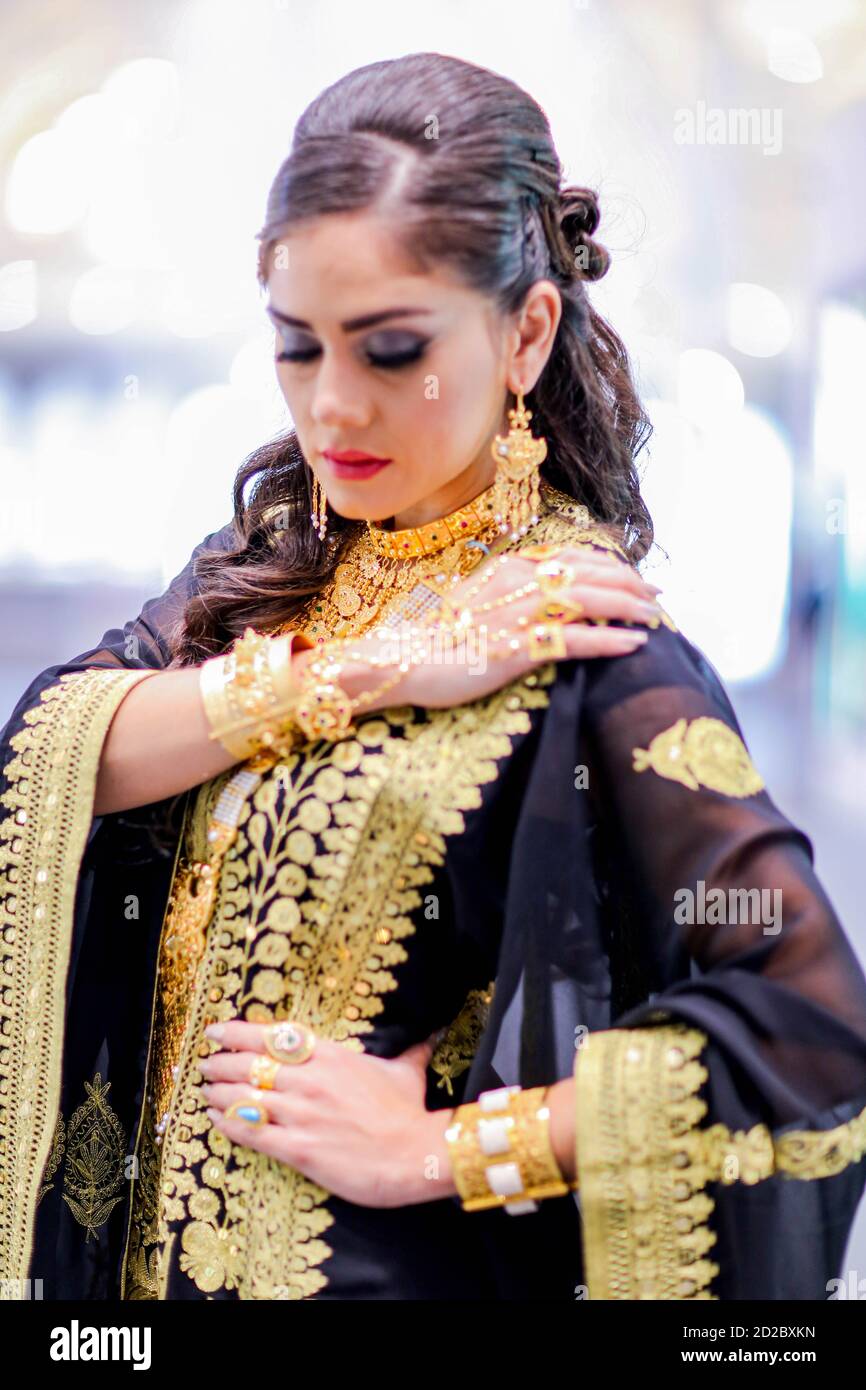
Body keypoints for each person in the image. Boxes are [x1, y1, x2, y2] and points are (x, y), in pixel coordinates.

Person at [2, 51, 866, 1304]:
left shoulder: (585, 639)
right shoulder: (270, 567)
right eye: (298, 348)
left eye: (390, 348)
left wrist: (440, 1149)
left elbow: (811, 1026)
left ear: (526, 331)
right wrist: (374, 666)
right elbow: (59, 748)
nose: (332, 407)